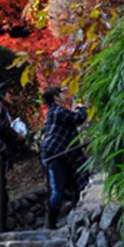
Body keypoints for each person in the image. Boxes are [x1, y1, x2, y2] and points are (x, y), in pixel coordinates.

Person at [40, 86, 89, 230]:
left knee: (70, 184)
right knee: (58, 189)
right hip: (55, 155)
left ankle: (71, 215)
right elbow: (77, 119)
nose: (65, 95)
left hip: (53, 154)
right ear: (55, 97)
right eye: (62, 93)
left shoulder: (53, 112)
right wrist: (82, 109)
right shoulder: (57, 110)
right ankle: (51, 224)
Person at [0, 83, 23, 232]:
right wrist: (16, 136)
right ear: (1, 94)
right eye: (7, 93)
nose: (10, 96)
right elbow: (0, 125)